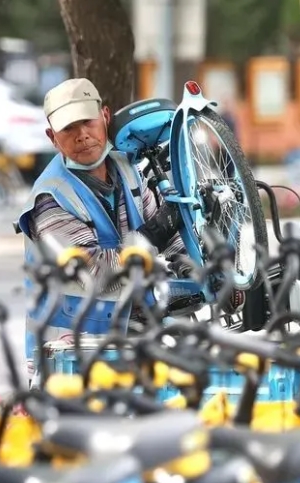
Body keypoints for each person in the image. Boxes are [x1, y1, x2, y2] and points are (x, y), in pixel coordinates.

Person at [16, 78, 187, 380]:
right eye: (69, 128)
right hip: (69, 355)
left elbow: (170, 235)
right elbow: (97, 273)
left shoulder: (127, 169)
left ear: (105, 117)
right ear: (52, 137)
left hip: (129, 339)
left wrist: (194, 269)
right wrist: (151, 236)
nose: (82, 135)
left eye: (88, 122)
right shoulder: (50, 198)